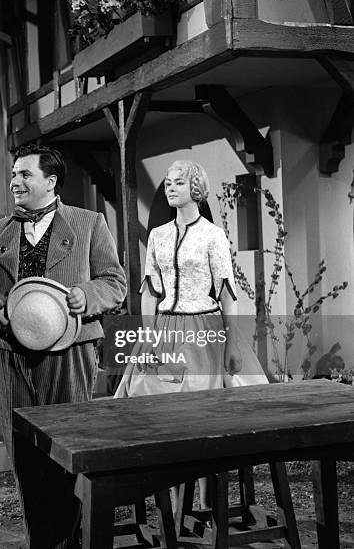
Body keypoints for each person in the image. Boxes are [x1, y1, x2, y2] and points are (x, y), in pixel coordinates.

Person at [0, 142, 127, 548]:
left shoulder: (88, 223)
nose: (14, 181)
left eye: (25, 174)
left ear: (50, 181)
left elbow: (116, 283)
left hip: (69, 353)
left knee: (67, 448)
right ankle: (41, 539)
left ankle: (70, 537)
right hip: (12, 353)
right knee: (24, 452)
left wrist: (86, 295)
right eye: (14, 174)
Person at [115, 159, 264, 510]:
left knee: (204, 420)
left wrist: (230, 342)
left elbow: (227, 292)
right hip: (164, 329)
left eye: (178, 182)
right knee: (154, 412)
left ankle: (206, 505)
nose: (170, 187)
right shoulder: (157, 236)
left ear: (195, 188)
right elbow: (150, 291)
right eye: (167, 182)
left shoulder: (212, 235)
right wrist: (148, 339)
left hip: (204, 331)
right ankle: (166, 503)